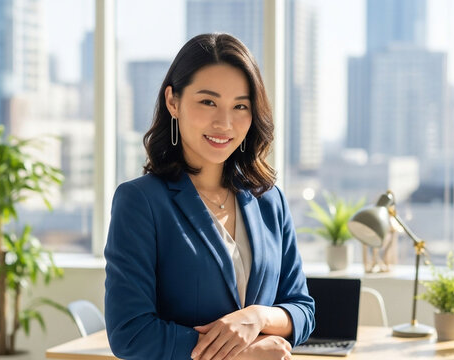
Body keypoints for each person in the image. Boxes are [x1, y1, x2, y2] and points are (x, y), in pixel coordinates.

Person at [104, 33, 315, 360]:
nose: (224, 123)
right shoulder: (140, 202)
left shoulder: (269, 201)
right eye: (208, 101)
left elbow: (302, 310)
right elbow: (130, 333)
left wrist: (257, 316)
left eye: (240, 106)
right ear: (173, 102)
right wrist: (240, 356)